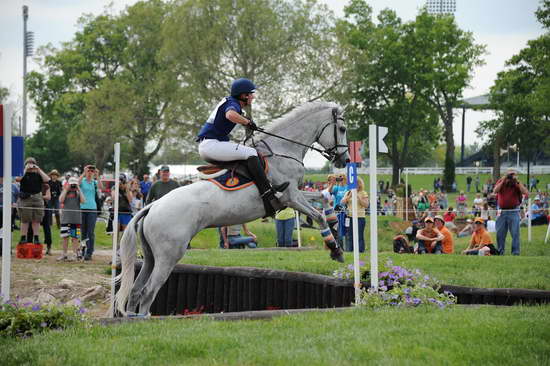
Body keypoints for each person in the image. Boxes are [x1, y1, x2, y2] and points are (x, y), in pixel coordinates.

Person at [196, 78, 288, 216]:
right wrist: (247, 122)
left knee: (246, 153)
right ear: (243, 95)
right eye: (251, 94)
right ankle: (268, 192)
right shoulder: (233, 104)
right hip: (211, 145)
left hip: (211, 144)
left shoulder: (231, 102)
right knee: (251, 152)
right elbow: (230, 115)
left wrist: (249, 123)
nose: (253, 97)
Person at [493, 169, 528, 255]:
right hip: (501, 212)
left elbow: (525, 192)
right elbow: (495, 191)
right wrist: (504, 179)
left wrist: (517, 182)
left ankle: (515, 253)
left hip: (513, 211)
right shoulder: (501, 182)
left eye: (513, 174)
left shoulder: (516, 184)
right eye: (510, 174)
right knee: (500, 234)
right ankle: (500, 252)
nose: (511, 176)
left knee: (515, 233)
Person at [17, 157, 50, 244]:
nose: (31, 165)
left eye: (32, 163)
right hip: (26, 198)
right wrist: (25, 169)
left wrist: (38, 169)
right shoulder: (23, 174)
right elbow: (18, 179)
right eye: (29, 163)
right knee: (25, 219)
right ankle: (23, 237)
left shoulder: (38, 173)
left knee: (37, 219)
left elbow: (47, 179)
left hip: (37, 198)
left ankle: (36, 238)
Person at [58, 177, 85, 261]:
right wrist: (66, 189)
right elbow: (60, 200)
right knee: (65, 237)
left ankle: (74, 254)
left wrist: (79, 189)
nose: (73, 186)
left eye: (74, 184)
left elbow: (83, 201)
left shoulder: (78, 192)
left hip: (76, 219)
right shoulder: (65, 191)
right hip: (65, 218)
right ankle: (64, 254)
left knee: (75, 237)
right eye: (72, 184)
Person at [79, 164, 103, 261]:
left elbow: (102, 187)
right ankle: (83, 250)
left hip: (92, 209)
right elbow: (77, 183)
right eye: (89, 171)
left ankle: (89, 252)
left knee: (90, 231)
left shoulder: (94, 182)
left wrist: (97, 176)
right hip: (82, 208)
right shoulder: (83, 181)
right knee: (83, 231)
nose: (90, 173)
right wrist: (83, 173)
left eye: (91, 171)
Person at [340, 177, 368, 253]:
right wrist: (350, 196)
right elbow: (342, 202)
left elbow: (366, 205)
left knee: (359, 235)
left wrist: (358, 197)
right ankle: (350, 250)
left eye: (356, 184)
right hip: (350, 217)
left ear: (359, 184)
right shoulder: (348, 192)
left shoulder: (363, 193)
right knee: (350, 235)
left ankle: (360, 250)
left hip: (360, 217)